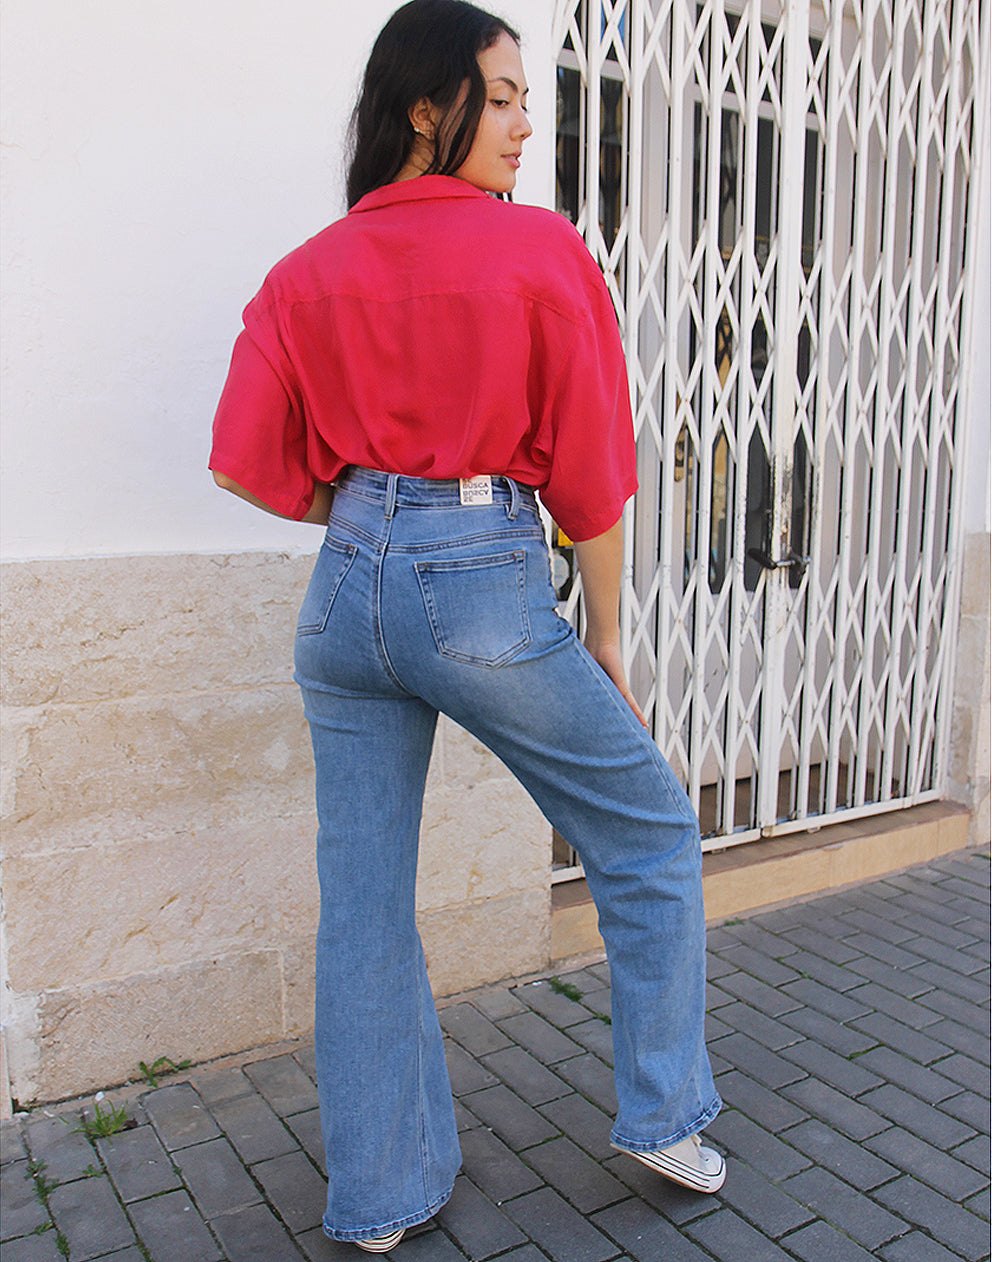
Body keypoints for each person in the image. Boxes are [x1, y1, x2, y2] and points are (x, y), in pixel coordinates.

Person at [210, 0, 723, 1250]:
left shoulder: (303, 272)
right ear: (425, 106)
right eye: (498, 97)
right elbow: (593, 468)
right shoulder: (535, 252)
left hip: (344, 594)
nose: (522, 122)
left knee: (365, 899)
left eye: (522, 98)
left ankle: (380, 1194)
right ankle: (662, 1110)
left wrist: (370, 507)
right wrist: (606, 637)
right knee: (649, 829)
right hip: (483, 578)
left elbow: (240, 464)